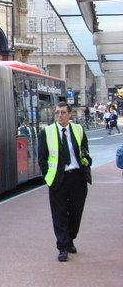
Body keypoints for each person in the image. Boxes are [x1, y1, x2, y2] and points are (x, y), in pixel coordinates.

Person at [37, 102, 92, 262]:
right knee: (59, 213)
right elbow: (42, 158)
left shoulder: (78, 129)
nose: (59, 115)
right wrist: (48, 177)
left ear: (70, 114)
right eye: (57, 113)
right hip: (57, 178)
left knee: (76, 212)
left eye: (62, 113)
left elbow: (85, 151)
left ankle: (70, 238)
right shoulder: (47, 132)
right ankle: (62, 247)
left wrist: (87, 163)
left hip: (77, 177)